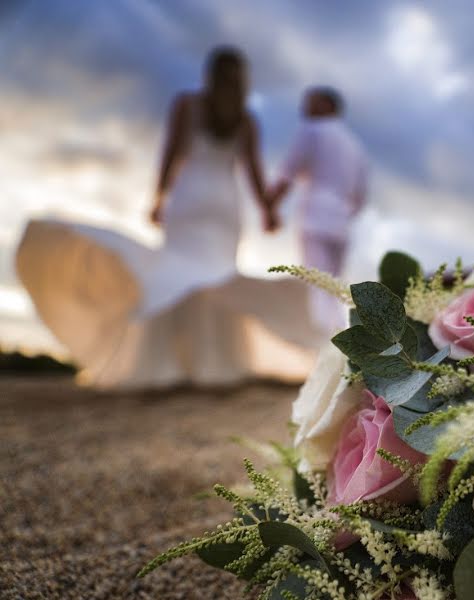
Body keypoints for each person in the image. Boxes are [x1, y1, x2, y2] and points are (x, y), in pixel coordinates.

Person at [15, 48, 325, 388]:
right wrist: (268, 210)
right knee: (215, 277)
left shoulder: (187, 105)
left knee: (180, 276)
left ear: (211, 74)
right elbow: (253, 174)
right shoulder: (245, 119)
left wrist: (160, 198)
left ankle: (173, 363)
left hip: (190, 196)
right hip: (224, 203)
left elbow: (172, 155)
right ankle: (216, 362)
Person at [267, 87, 368, 333]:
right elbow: (360, 196)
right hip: (342, 223)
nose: (304, 108)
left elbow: (287, 173)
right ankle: (337, 342)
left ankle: (320, 344)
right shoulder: (356, 146)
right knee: (333, 288)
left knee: (316, 284)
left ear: (327, 105)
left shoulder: (313, 130)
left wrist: (269, 207)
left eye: (310, 102)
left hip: (315, 216)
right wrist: (343, 214)